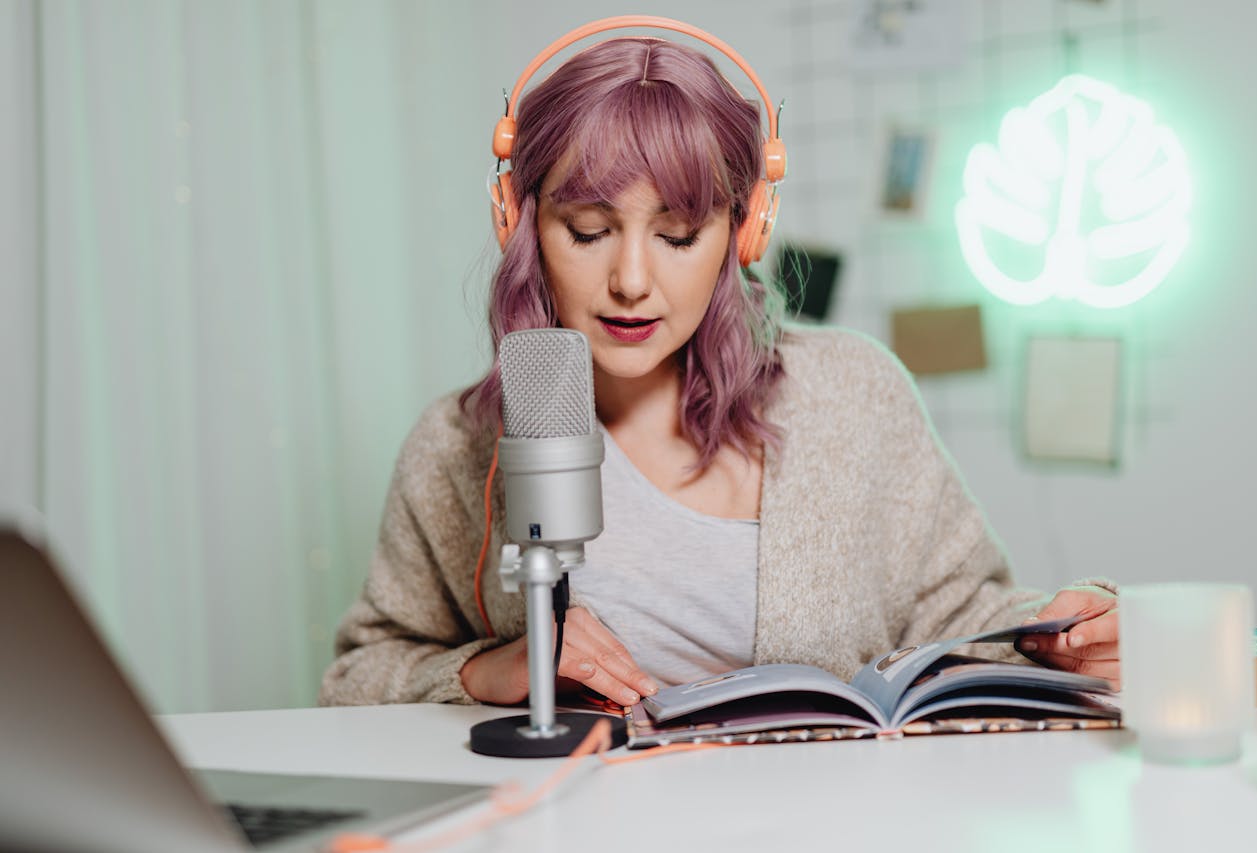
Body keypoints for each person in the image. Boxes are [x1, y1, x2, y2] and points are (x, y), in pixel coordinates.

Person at [318, 19, 1119, 711]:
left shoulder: (854, 394)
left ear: (744, 234)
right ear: (521, 227)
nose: (632, 280)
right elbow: (357, 673)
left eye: (676, 237)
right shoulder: (458, 447)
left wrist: (1062, 630)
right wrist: (486, 670)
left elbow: (960, 610)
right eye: (588, 231)